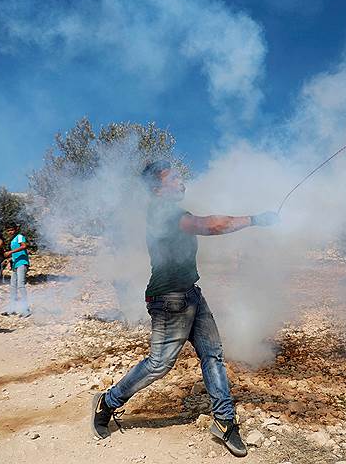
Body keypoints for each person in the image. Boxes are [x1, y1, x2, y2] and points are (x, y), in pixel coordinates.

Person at [90, 161, 279, 458]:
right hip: (169, 300)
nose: (181, 181)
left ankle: (224, 420)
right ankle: (108, 401)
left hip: (191, 293)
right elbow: (208, 226)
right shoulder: (162, 212)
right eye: (173, 178)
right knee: (158, 364)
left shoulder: (169, 210)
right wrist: (254, 219)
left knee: (212, 354)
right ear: (156, 189)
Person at [2, 222, 31, 317]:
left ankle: (26, 308)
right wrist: (9, 259)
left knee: (20, 285)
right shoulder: (12, 240)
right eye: (8, 230)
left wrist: (10, 252)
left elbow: (24, 246)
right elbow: (16, 254)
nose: (10, 232)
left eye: (12, 230)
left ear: (15, 230)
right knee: (13, 286)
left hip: (22, 263)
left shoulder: (19, 236)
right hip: (15, 264)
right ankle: (12, 308)